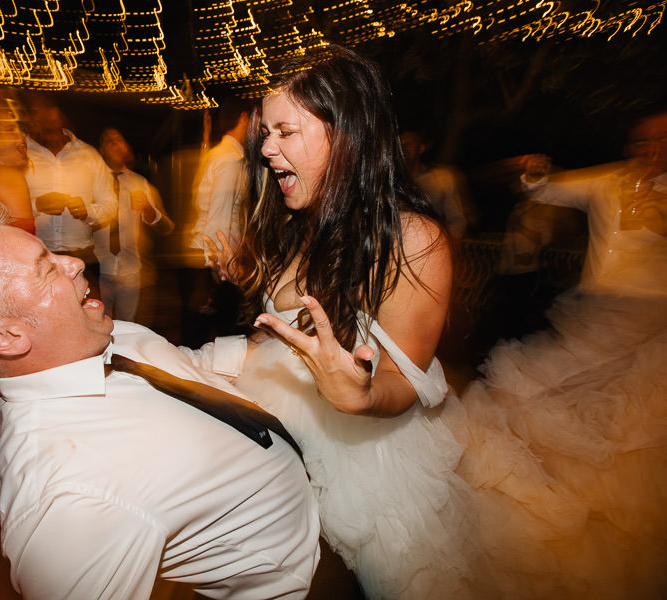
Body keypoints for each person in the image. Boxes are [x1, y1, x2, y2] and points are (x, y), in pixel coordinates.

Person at [0, 219, 321, 600]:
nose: (73, 262)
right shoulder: (67, 499)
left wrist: (277, 340)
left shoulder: (96, 332)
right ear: (4, 336)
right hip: (311, 578)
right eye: (46, 268)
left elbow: (188, 369)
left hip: (323, 495)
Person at [205, 46, 489, 599]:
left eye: (285, 131)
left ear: (349, 133)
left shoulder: (412, 240)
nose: (266, 148)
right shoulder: (297, 221)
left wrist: (358, 397)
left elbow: (406, 382)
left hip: (361, 468)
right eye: (266, 132)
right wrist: (248, 279)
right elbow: (294, 327)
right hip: (279, 439)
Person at [444, 110, 667, 598]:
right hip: (598, 314)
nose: (649, 152)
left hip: (654, 327)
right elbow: (545, 190)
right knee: (550, 410)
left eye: (660, 142)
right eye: (641, 142)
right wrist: (533, 173)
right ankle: (548, 522)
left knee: (636, 436)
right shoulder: (610, 179)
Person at [20, 92, 117, 298]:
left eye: (36, 111)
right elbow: (0, 206)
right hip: (33, 259)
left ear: (57, 113)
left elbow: (110, 205)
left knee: (89, 318)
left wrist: (87, 212)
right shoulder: (21, 154)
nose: (32, 119)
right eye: (29, 113)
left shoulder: (90, 156)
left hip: (83, 259)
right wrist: (36, 206)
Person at [181, 96, 256, 348]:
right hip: (216, 261)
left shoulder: (218, 154)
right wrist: (220, 266)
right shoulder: (230, 160)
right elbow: (220, 215)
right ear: (245, 118)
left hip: (208, 259)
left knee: (206, 332)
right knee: (227, 333)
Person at [94, 126, 174, 323]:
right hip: (98, 270)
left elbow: (167, 228)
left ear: (126, 147)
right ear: (101, 150)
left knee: (129, 330)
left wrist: (149, 211)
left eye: (118, 140)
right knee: (96, 327)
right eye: (108, 141)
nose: (114, 144)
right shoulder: (91, 182)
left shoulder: (141, 184)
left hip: (132, 272)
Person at [400, 130, 471, 240]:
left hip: (431, 246)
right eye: (400, 145)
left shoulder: (441, 179)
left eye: (408, 144)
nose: (403, 148)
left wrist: (446, 249)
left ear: (421, 148)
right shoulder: (389, 181)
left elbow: (457, 221)